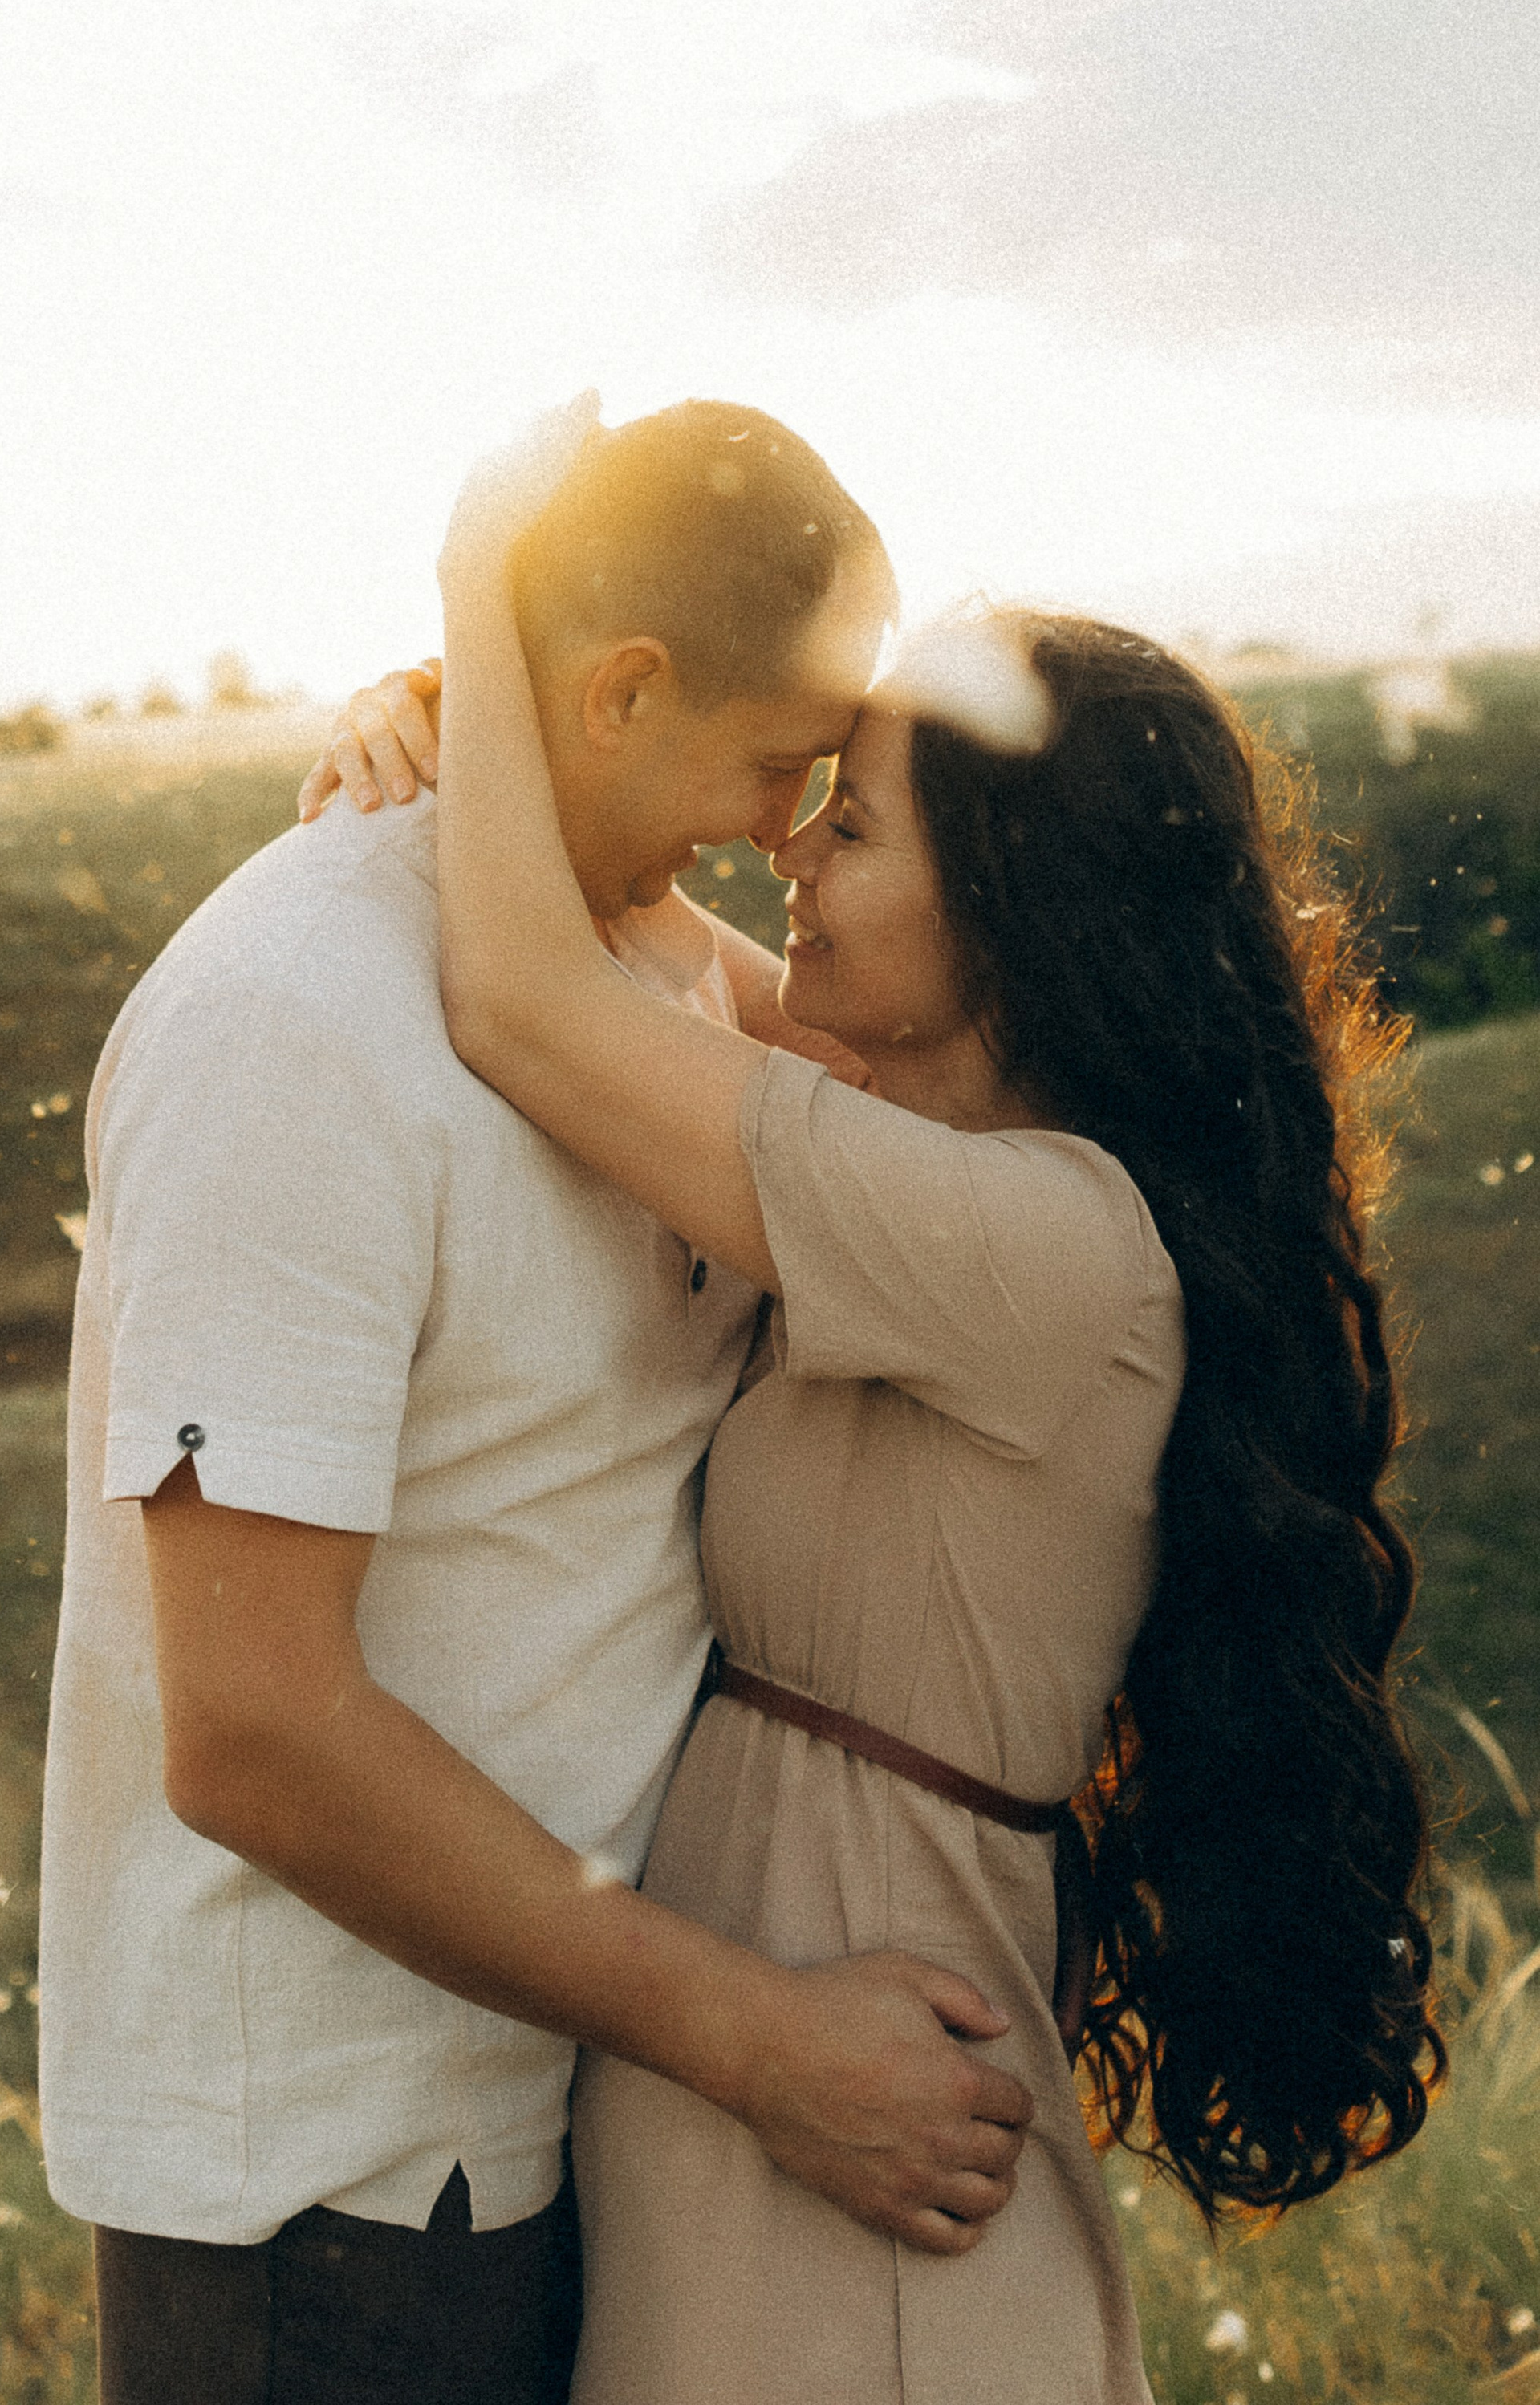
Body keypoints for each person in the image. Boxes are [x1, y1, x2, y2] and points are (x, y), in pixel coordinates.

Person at [319, 401, 1440, 2403]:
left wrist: (484, 589)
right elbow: (612, 916)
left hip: (856, 2151)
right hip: (793, 2095)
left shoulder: (1039, 1245)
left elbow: (528, 1001)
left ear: (1007, 910)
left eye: (847, 828)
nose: (786, 854)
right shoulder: (928, 1158)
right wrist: (461, 733)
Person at [38, 400, 1038, 2405]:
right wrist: (758, 2039)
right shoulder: (290, 1027)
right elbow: (253, 1732)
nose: (780, 829)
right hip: (331, 2186)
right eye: (773, 761)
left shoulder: (635, 969)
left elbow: (923, 1139)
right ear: (620, 688)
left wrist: (475, 710)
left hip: (551, 2105)